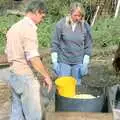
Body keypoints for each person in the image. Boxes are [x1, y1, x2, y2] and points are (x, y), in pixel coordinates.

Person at [5, 0, 52, 120]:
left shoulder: (14, 28)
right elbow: (33, 57)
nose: (42, 20)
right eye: (42, 16)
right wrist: (46, 76)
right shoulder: (28, 29)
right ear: (36, 12)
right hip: (26, 77)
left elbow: (7, 53)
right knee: (33, 115)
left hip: (13, 74)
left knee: (17, 113)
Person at [51, 2, 92, 85]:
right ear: (70, 13)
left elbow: (88, 45)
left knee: (76, 87)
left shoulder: (85, 26)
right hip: (63, 61)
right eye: (75, 15)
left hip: (78, 62)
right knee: (64, 86)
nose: (78, 18)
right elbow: (55, 43)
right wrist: (55, 61)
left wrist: (85, 63)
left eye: (80, 16)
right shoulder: (61, 24)